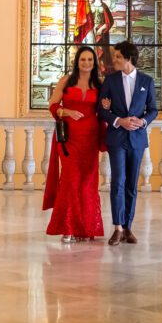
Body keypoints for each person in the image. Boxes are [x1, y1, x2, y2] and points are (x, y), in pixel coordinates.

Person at [98, 40, 158, 246]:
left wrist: (143, 121)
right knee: (118, 182)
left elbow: (153, 110)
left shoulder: (146, 81)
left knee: (132, 184)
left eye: (117, 57)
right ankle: (117, 228)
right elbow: (102, 109)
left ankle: (128, 227)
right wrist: (118, 120)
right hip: (116, 139)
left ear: (128, 59)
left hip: (137, 139)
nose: (113, 60)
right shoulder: (110, 80)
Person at [43, 46, 105, 243]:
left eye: (89, 60)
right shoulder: (66, 81)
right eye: (83, 60)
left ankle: (86, 228)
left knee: (88, 183)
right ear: (77, 62)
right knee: (70, 180)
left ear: (94, 63)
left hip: (90, 139)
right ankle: (67, 228)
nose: (86, 63)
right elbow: (52, 105)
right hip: (69, 139)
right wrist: (67, 112)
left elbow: (106, 109)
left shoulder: (100, 84)